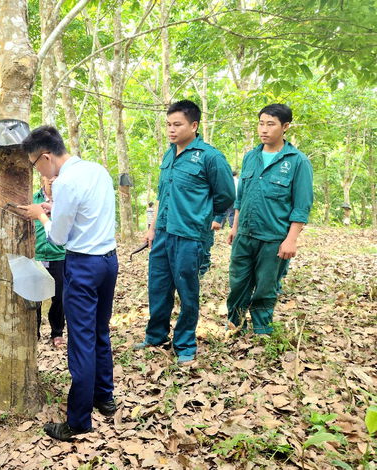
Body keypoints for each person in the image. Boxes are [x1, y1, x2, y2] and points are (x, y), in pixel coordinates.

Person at [18, 126, 118, 442]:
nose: (37, 170)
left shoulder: (64, 183)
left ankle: (77, 421)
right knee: (100, 331)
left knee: (81, 340)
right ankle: (104, 396)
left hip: (84, 265)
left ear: (46, 156)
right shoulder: (96, 170)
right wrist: (53, 209)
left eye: (35, 164)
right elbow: (87, 213)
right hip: (108, 260)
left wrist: (40, 215)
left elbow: (59, 238)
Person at [134, 100, 235, 364]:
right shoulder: (169, 154)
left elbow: (226, 195)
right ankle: (156, 336)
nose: (171, 129)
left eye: (177, 124)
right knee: (158, 287)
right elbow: (161, 195)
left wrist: (203, 216)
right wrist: (152, 229)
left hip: (190, 235)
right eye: (168, 124)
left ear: (194, 125)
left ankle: (185, 344)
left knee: (187, 290)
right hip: (164, 233)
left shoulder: (210, 157)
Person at [226, 104, 313, 334]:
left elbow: (301, 205)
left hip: (274, 237)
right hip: (245, 234)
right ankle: (234, 325)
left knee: (266, 286)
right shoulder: (250, 157)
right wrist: (234, 227)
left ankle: (262, 329)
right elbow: (240, 197)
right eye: (261, 123)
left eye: (270, 124)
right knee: (237, 283)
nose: (264, 129)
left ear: (285, 127)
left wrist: (291, 240)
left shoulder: (297, 161)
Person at [34, 175, 66, 348]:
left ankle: (57, 332)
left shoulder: (66, 201)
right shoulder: (33, 199)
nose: (52, 180)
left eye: (56, 176)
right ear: (42, 177)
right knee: (35, 298)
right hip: (37, 256)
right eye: (49, 176)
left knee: (59, 297)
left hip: (59, 256)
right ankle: (34, 333)